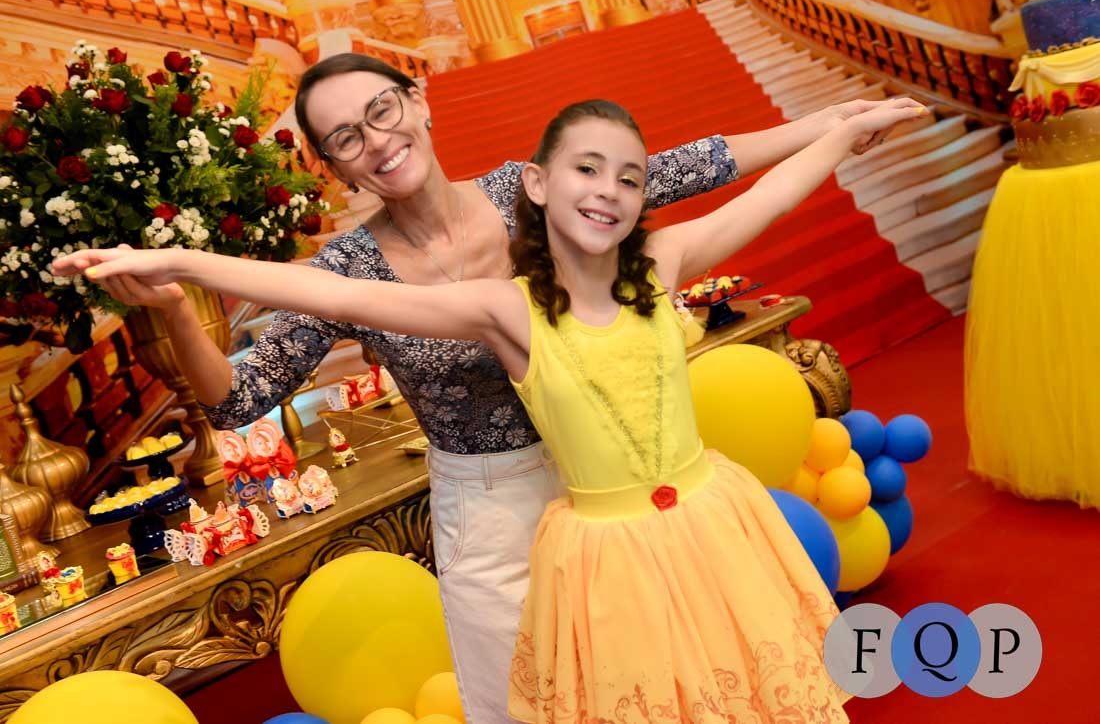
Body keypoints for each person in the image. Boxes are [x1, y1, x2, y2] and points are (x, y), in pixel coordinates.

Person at [91, 52, 907, 724]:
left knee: (675, 686)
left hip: (616, 489)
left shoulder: (527, 190)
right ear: (331, 165)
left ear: (418, 102)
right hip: (491, 510)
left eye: (382, 110)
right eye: (345, 137)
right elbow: (236, 400)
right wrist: (178, 304)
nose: (376, 141)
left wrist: (829, 127)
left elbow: (681, 171)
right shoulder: (352, 268)